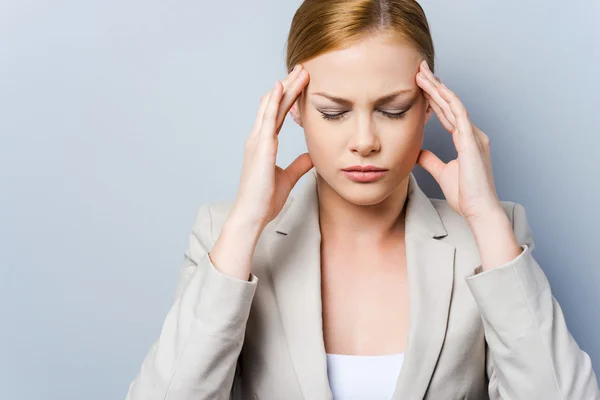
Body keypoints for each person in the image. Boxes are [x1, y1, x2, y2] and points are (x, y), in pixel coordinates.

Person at [125, 1, 600, 399]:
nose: (365, 140)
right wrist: (248, 222)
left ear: (430, 105)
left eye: (393, 110)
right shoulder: (224, 237)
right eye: (333, 112)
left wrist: (486, 218)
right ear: (294, 109)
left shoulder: (492, 239)